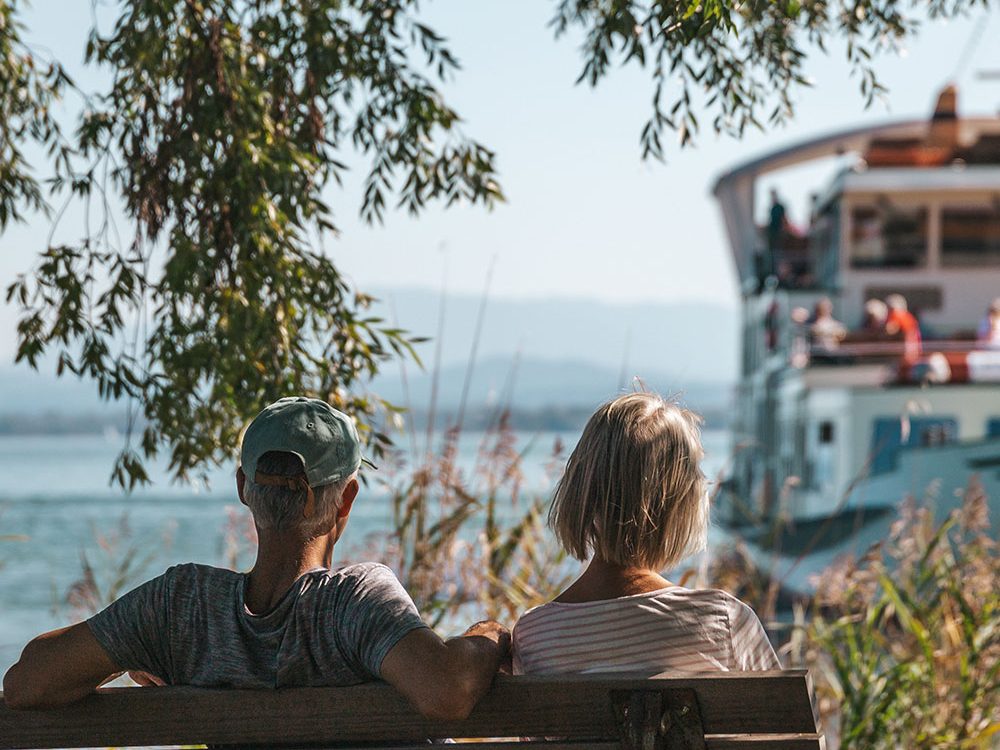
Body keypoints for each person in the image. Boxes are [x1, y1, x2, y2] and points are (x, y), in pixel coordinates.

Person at [3, 397, 509, 718]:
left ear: (244, 488)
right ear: (347, 498)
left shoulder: (182, 606)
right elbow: (447, 690)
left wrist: (134, 646)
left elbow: (27, 682)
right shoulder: (356, 603)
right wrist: (488, 637)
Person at [512, 393, 779, 675]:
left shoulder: (535, 636)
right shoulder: (722, 621)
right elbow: (785, 718)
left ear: (580, 493)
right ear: (678, 503)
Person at [885, 293, 922, 362]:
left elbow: (890, 330)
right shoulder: (908, 316)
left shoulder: (897, 315)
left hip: (905, 352)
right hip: (913, 351)